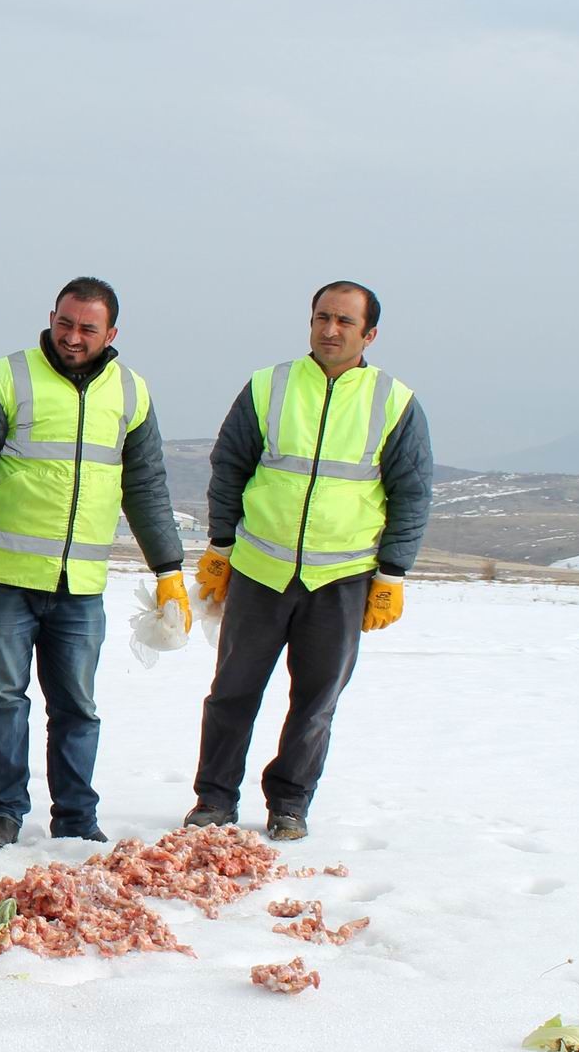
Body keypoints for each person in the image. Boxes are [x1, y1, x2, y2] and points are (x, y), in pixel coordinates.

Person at [184, 281, 432, 841]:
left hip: (341, 580)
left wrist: (392, 574)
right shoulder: (269, 387)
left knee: (315, 702)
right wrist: (222, 547)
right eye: (322, 317)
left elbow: (412, 493)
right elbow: (230, 467)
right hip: (260, 571)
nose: (330, 329)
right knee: (232, 692)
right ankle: (214, 800)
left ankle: (289, 803)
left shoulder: (394, 402)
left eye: (345, 321)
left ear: (369, 334)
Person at [0, 277, 187, 847]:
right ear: (51, 317)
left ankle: (76, 818)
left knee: (77, 706)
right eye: (65, 323)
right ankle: (5, 812)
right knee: (4, 699)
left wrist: (169, 571)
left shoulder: (131, 393)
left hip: (80, 584)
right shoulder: (4, 379)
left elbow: (147, 487)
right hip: (3, 578)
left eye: (88, 328)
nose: (73, 336)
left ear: (111, 333)